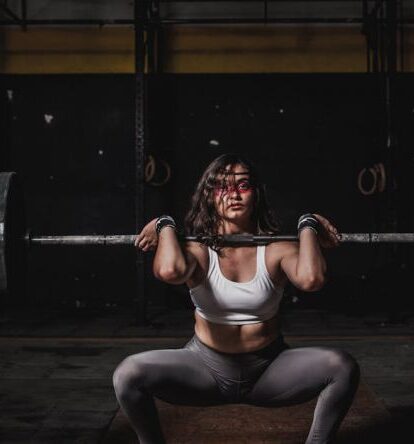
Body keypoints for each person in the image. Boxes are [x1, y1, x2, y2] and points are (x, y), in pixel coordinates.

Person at [113, 153, 360, 444]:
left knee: (341, 366)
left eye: (243, 186)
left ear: (256, 194)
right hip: (204, 370)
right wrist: (164, 224)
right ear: (209, 196)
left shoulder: (276, 249)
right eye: (222, 187)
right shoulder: (198, 250)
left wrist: (307, 225)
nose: (233, 195)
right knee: (128, 373)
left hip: (268, 370)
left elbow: (311, 279)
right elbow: (169, 271)